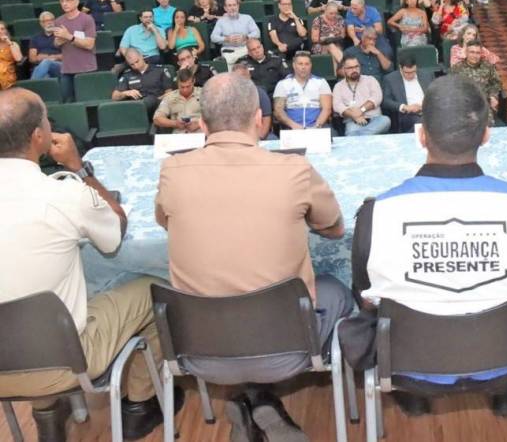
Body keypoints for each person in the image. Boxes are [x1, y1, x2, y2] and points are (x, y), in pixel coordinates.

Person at [342, 75, 507, 418]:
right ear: (486, 135)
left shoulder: (376, 213)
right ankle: (505, 392)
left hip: (408, 362)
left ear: (422, 136)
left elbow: (366, 296)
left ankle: (412, 393)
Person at [155, 73, 349, 439]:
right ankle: (260, 399)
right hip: (287, 349)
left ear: (202, 124)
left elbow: (166, 222)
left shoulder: (172, 172)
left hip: (200, 349)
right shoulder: (294, 170)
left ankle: (253, 399)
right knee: (337, 290)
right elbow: (335, 229)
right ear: (260, 120)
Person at [0, 88, 173, 442]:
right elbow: (115, 230)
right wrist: (79, 170)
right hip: (64, 362)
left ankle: (47, 413)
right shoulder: (63, 193)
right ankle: (140, 404)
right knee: (158, 288)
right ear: (38, 136)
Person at [53, 0, 97, 102]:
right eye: (62, 1)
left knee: (87, 101)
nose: (64, 3)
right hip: (67, 69)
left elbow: (89, 44)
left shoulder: (87, 19)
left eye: (68, 0)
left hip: (86, 68)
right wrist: (60, 40)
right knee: (68, 102)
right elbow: (56, 43)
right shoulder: (58, 21)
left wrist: (68, 36)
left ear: (76, 2)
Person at [332, 54, 391, 136]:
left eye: (356, 66)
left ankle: (359, 137)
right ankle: (363, 136)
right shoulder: (338, 86)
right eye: (350, 68)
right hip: (353, 121)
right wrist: (354, 115)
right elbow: (337, 105)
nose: (354, 70)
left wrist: (361, 110)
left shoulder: (370, 80)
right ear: (343, 69)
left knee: (386, 120)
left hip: (375, 119)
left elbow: (377, 98)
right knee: (351, 132)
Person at [272, 50, 331, 131]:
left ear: (311, 65)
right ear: (294, 65)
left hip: (317, 127)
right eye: (300, 64)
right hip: (291, 128)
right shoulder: (283, 84)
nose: (303, 67)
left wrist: (316, 126)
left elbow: (326, 109)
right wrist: (293, 125)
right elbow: (278, 111)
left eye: (307, 64)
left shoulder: (321, 82)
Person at [450, 41, 503, 122]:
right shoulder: (457, 69)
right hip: (463, 106)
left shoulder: (487, 67)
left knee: (486, 124)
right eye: (472, 52)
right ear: (466, 53)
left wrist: (493, 95)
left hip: (483, 105)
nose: (475, 56)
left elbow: (496, 83)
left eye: (478, 53)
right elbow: (450, 87)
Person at [381, 51, 431, 133]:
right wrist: (405, 107)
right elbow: (386, 101)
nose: (411, 75)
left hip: (427, 110)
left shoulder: (426, 75)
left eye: (413, 72)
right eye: (407, 73)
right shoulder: (390, 79)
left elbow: (434, 94)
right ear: (400, 68)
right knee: (422, 122)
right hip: (408, 114)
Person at [112, 47, 172, 114]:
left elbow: (169, 93)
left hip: (157, 106)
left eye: (137, 61)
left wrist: (157, 100)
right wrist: (126, 93)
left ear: (141, 56)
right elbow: (114, 97)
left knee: (149, 100)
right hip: (136, 107)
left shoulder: (159, 70)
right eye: (132, 64)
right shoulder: (127, 74)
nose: (136, 66)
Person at [211, 0, 260, 65]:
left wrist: (246, 37)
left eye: (234, 5)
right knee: (229, 58)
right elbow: (213, 37)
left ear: (238, 6)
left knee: (253, 52)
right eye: (229, 5)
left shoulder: (247, 18)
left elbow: (257, 33)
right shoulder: (221, 21)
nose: (232, 8)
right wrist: (226, 39)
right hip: (229, 50)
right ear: (225, 8)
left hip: (245, 48)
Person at [230, 62, 274, 140]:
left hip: (257, 133)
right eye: (237, 77)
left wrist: (261, 136)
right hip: (234, 135)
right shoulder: (227, 95)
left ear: (249, 76)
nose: (241, 79)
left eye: (243, 76)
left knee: (272, 139)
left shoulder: (260, 93)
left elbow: (266, 117)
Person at [153, 67, 203, 134]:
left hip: (200, 133)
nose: (185, 90)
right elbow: (157, 119)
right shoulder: (170, 97)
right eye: (182, 87)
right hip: (178, 135)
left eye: (188, 86)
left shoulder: (204, 94)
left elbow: (215, 115)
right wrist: (175, 123)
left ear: (194, 81)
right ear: (177, 83)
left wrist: (199, 123)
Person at [28, 11, 62, 80]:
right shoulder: (35, 38)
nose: (50, 23)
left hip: (59, 66)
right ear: (41, 23)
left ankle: (31, 85)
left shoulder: (61, 35)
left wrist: (53, 57)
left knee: (46, 62)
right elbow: (32, 59)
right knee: (45, 76)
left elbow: (68, 55)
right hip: (41, 66)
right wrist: (39, 58)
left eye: (51, 20)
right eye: (46, 21)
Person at [0, 21, 22, 89]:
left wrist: (8, 42)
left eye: (2, 29)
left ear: (6, 31)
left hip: (8, 73)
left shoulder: (13, 44)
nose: (0, 31)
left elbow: (18, 59)